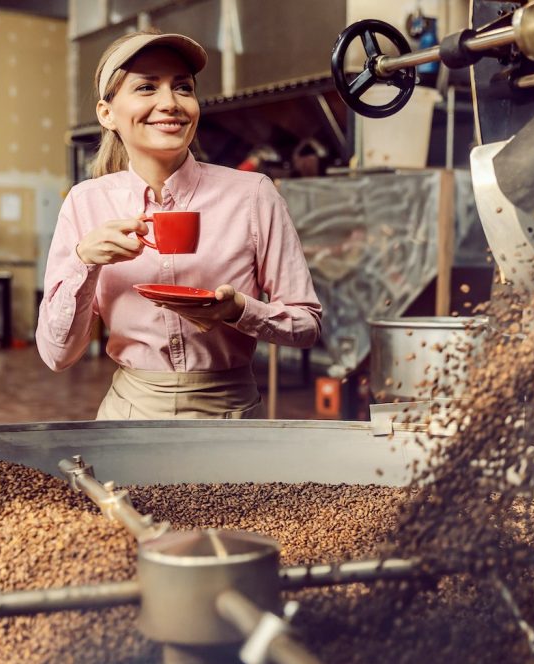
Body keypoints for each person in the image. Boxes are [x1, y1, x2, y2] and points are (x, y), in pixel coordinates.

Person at [35, 30, 322, 419]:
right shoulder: (87, 202)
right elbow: (57, 356)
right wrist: (85, 262)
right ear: (107, 114)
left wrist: (240, 311)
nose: (170, 103)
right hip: (130, 416)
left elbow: (306, 325)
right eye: (147, 87)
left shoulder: (253, 194)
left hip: (232, 416)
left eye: (183, 87)